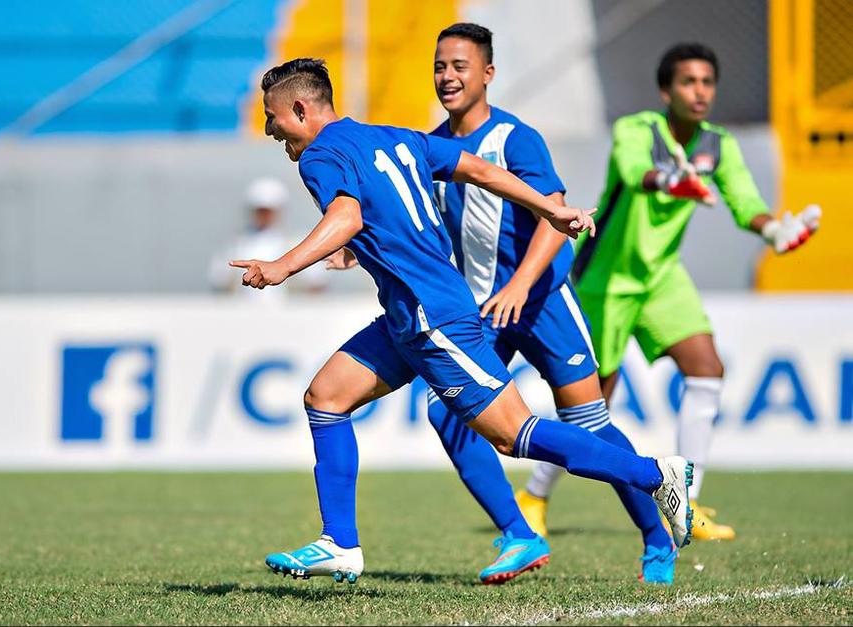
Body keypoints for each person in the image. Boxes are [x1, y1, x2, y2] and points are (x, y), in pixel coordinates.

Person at [231, 57, 693, 585]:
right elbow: (479, 171)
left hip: (431, 318)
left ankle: (655, 474)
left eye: (272, 118)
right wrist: (548, 208)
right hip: (410, 315)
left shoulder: (319, 155)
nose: (270, 130)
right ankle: (339, 542)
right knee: (326, 398)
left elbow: (348, 215)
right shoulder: (398, 138)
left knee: (513, 435)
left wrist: (282, 266)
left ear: (300, 108)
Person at [517, 42, 821, 542]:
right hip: (607, 281)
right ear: (666, 91)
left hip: (662, 279)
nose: (700, 92)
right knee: (591, 402)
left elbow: (745, 203)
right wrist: (673, 179)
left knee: (707, 369)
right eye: (688, 82)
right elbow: (636, 172)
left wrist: (775, 231)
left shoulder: (718, 144)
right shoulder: (635, 129)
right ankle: (534, 495)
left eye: (707, 82)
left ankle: (686, 503)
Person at [415, 22, 676, 584]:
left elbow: (553, 217)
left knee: (590, 423)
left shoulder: (516, 139)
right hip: (484, 313)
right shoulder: (432, 146)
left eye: (459, 66)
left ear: (488, 73)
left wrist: (521, 284)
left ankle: (657, 535)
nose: (447, 76)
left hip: (543, 304)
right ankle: (519, 533)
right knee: (445, 413)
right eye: (439, 66)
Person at [207, 176, 328, 298]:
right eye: (260, 210)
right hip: (244, 309)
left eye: (268, 210)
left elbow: (317, 282)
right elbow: (220, 281)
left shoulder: (296, 243)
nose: (264, 215)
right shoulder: (235, 246)